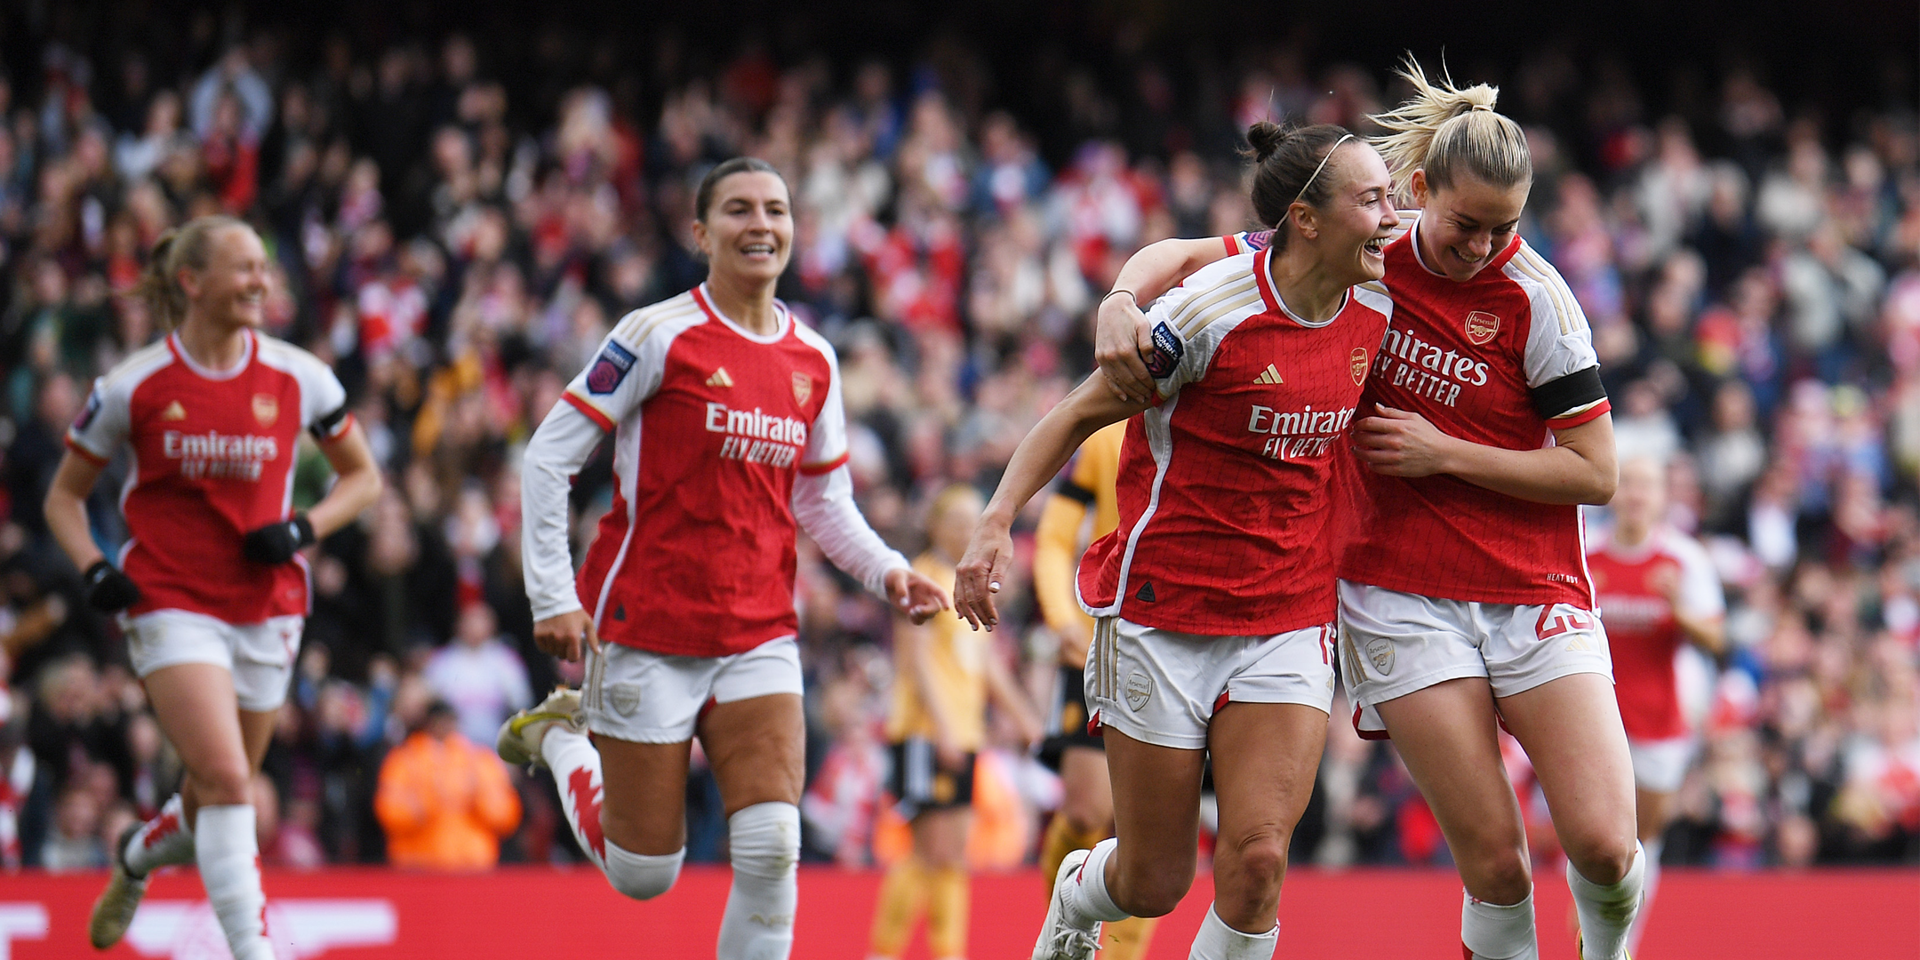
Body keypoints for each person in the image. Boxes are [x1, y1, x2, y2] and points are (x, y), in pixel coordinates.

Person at [1095, 60, 1640, 960]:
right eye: (1467, 224)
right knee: (1496, 867)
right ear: (1420, 189)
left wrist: (1443, 454)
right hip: (1395, 592)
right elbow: (1191, 258)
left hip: (1533, 586)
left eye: (1505, 227)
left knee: (1606, 848)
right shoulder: (1360, 256)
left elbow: (1597, 473)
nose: (1483, 246)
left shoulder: (1539, 299)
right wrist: (1121, 298)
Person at [956, 121, 1399, 960]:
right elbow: (1081, 411)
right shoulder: (1208, 313)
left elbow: (1475, 240)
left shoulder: (1381, 280)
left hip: (1289, 615)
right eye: (1373, 198)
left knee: (1260, 859)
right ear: (1304, 220)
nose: (1394, 214)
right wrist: (992, 523)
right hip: (1162, 616)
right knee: (1156, 880)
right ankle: (1078, 893)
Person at [499, 156, 949, 960]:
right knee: (644, 874)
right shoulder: (655, 334)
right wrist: (552, 597)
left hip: (759, 632)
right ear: (702, 232)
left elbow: (820, 499)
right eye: (739, 210)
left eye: (775, 209)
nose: (761, 225)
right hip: (646, 625)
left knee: (774, 850)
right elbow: (547, 457)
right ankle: (563, 740)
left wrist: (888, 569)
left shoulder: (815, 359)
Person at [46, 215, 382, 957]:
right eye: (244, 268)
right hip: (168, 598)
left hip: (269, 603)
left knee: (213, 792)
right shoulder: (132, 386)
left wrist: (302, 529)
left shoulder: (301, 375)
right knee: (231, 780)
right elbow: (62, 498)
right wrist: (96, 567)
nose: (261, 281)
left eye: (264, 268)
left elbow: (364, 479)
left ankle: (138, 855)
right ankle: (253, 951)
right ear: (192, 282)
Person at [868, 483, 1042, 960]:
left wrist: (1024, 716)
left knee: (951, 856)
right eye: (959, 519)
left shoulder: (967, 584)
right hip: (928, 733)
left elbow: (986, 664)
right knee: (930, 853)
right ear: (936, 526)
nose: (968, 528)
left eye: (974, 519)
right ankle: (884, 951)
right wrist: (942, 727)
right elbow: (916, 662)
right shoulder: (923, 577)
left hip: (962, 735)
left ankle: (947, 951)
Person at [1028, 421, 1159, 960]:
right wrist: (1063, 620)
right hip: (1099, 640)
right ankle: (1061, 930)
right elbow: (1056, 537)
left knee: (1151, 838)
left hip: (1176, 649)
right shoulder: (1108, 438)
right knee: (1085, 812)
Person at [1586, 456, 1724, 953]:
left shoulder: (1683, 560)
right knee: (1595, 836)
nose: (1638, 495)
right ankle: (1593, 933)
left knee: (1644, 841)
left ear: (1664, 496)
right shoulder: (1586, 551)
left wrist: (1678, 609)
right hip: (1596, 719)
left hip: (1660, 723)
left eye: (1649, 486)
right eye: (1631, 484)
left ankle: (1623, 940)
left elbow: (1716, 637)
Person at [374, 699, 523, 871]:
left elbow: (506, 816)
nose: (445, 726)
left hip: (473, 865)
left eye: (450, 720)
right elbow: (388, 811)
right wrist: (428, 799)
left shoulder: (478, 759)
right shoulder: (405, 759)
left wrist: (478, 796)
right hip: (417, 865)